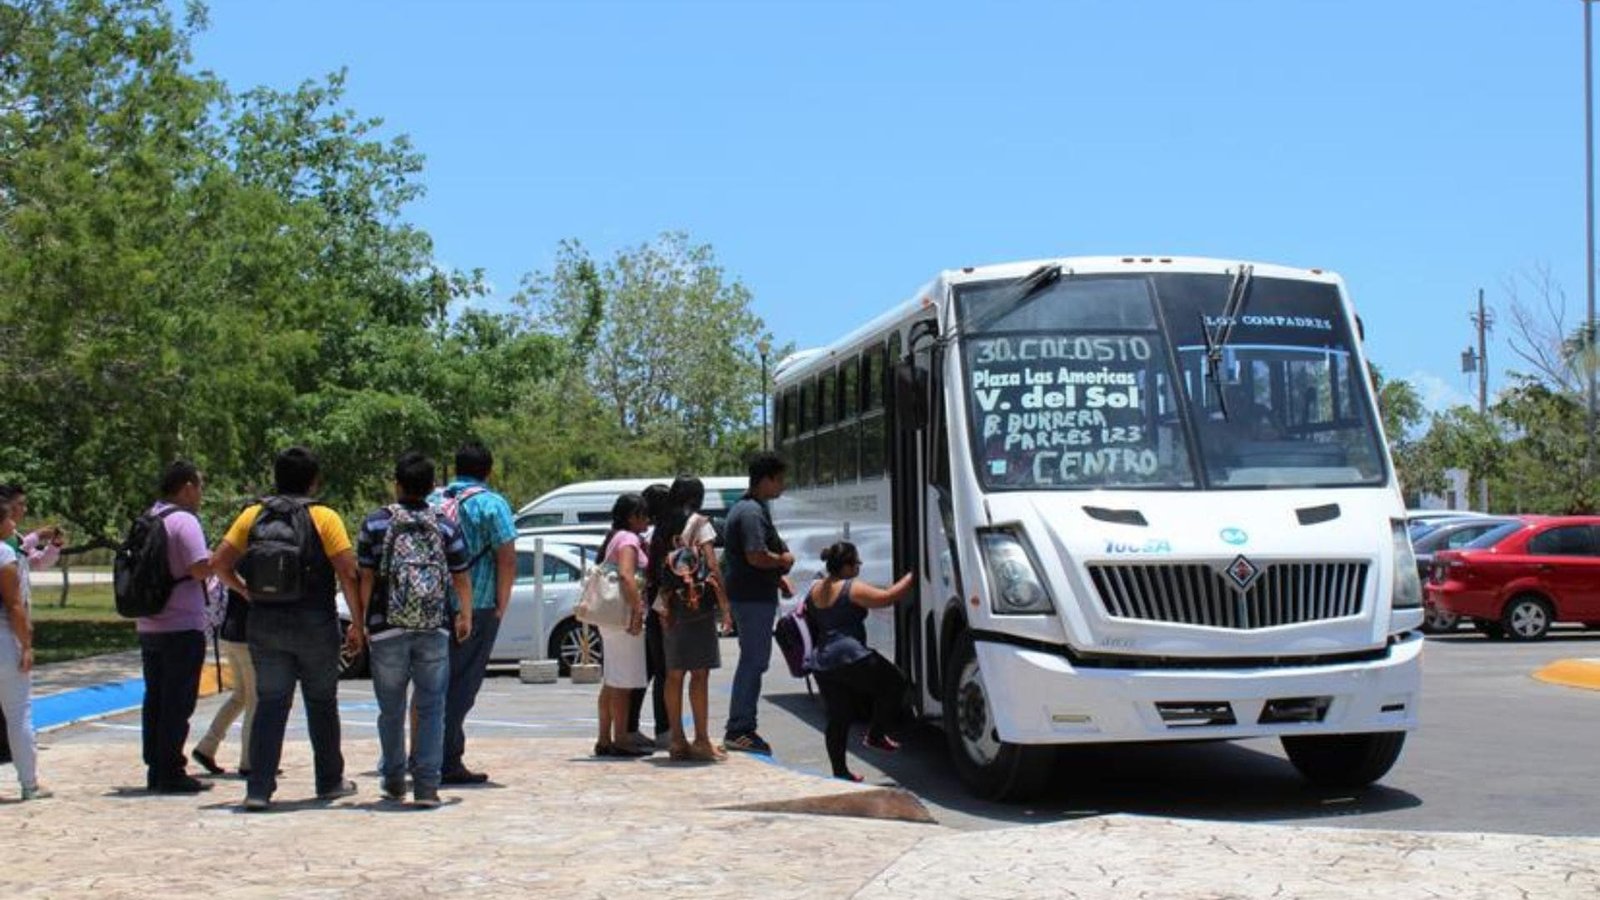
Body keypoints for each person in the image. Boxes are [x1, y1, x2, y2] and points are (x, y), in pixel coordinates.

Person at [212, 447, 361, 811]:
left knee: (270, 704)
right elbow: (346, 569)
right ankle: (329, 781)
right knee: (322, 703)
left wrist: (247, 592)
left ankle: (259, 788)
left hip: (265, 622)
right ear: (314, 481)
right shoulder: (324, 517)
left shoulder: (252, 515)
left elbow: (219, 564)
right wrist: (357, 621)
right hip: (315, 622)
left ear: (276, 478)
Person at [351, 452, 474, 809]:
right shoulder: (445, 524)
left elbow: (367, 577)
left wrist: (360, 625)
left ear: (398, 483)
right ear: (432, 487)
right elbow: (461, 575)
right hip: (433, 625)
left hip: (387, 627)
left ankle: (393, 778)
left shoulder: (376, 522)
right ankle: (426, 787)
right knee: (432, 706)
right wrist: (464, 615)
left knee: (391, 708)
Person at [428, 441, 517, 785]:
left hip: (431, 604)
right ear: (488, 470)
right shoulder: (492, 504)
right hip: (476, 605)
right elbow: (507, 556)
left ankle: (421, 753)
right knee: (462, 684)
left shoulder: (436, 501)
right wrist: (501, 602)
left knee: (431, 683)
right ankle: (447, 758)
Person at [804, 542, 914, 782]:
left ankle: (840, 772)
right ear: (845, 566)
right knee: (895, 683)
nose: (859, 568)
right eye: (857, 564)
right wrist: (913, 575)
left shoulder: (815, 589)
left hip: (823, 660)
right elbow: (887, 598)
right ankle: (875, 734)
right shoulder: (850, 587)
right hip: (849, 654)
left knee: (839, 717)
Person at [137, 461, 214, 794]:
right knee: (178, 701)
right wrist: (221, 558)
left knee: (155, 696)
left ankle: (155, 766)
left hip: (149, 622)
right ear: (186, 487)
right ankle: (171, 770)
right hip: (182, 622)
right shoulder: (184, 521)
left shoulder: (150, 517)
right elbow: (199, 568)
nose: (200, 495)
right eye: (199, 487)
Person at [651, 476, 732, 762]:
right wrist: (724, 606)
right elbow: (711, 565)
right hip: (696, 604)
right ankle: (701, 740)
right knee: (700, 673)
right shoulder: (699, 524)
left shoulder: (661, 526)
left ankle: (676, 740)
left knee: (674, 674)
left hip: (668, 605)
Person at [722, 451, 794, 755]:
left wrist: (778, 578)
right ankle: (740, 728)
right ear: (766, 479)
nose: (782, 486)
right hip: (752, 599)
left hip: (753, 594)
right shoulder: (751, 512)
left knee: (754, 661)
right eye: (779, 479)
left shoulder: (750, 508)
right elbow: (755, 555)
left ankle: (741, 725)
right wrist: (783, 560)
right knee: (753, 662)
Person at [593, 494, 652, 757]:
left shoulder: (614, 537)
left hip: (612, 619)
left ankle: (605, 738)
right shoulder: (628, 539)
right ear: (632, 517)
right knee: (623, 682)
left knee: (612, 679)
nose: (647, 520)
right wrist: (638, 611)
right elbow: (628, 576)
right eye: (643, 515)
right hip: (624, 616)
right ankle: (621, 740)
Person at [0, 500, 49, 800]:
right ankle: (29, 783)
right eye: (8, 520)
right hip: (3, 641)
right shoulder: (4, 554)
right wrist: (26, 644)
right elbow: (14, 605)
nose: (13, 525)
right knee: (18, 714)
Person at [190, 576, 256, 777]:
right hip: (247, 635)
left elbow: (219, 565)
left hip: (229, 631)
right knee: (256, 700)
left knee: (241, 696)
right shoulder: (251, 556)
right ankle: (250, 760)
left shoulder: (233, 557)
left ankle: (207, 747)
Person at [625, 482, 672, 753]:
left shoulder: (650, 534)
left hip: (649, 608)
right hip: (654, 609)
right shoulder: (657, 534)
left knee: (646, 672)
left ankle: (631, 727)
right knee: (660, 671)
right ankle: (663, 728)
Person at [3, 483, 66, 572]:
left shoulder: (17, 536)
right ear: (5, 506)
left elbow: (39, 563)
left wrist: (54, 545)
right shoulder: (5, 538)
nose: (25, 509)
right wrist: (37, 536)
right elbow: (13, 550)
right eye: (20, 504)